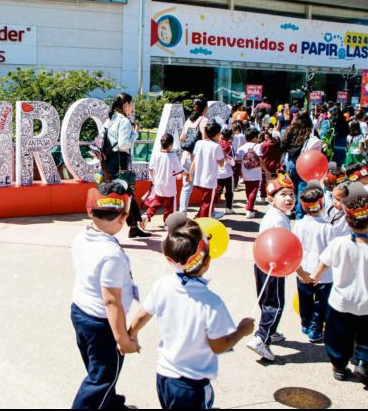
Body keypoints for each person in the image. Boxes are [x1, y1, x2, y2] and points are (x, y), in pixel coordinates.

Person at [128, 214, 255, 410]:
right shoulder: (212, 303)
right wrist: (241, 331)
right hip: (192, 384)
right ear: (206, 262)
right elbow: (219, 346)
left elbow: (142, 315)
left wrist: (131, 335)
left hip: (164, 375)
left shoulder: (162, 285)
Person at [311, 185, 368, 383]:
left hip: (340, 301)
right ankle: (363, 362)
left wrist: (315, 277)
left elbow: (324, 263)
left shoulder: (339, 243)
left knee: (338, 336)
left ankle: (339, 365)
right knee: (367, 337)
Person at [71, 181, 141, 409]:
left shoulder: (83, 236)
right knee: (103, 378)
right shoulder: (111, 255)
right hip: (102, 325)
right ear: (123, 218)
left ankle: (110, 405)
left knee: (98, 369)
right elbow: (111, 301)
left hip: (81, 312)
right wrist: (122, 339)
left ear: (90, 211)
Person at [246, 172, 295, 362]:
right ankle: (261, 338)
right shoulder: (278, 219)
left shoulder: (275, 215)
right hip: (273, 265)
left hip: (263, 263)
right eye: (283, 195)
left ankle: (270, 331)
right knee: (275, 304)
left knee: (267, 300)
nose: (289, 198)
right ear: (271, 199)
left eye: (291, 194)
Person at [104, 93, 149, 238]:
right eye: (132, 104)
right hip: (120, 161)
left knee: (125, 194)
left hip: (108, 162)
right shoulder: (123, 121)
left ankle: (134, 226)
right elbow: (124, 145)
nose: (133, 107)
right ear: (126, 105)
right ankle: (108, 228)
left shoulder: (111, 119)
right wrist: (135, 133)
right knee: (123, 195)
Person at [292, 184, 333, 344]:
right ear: (322, 204)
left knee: (305, 299)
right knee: (321, 303)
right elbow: (331, 251)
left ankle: (305, 324)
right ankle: (315, 329)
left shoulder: (299, 225)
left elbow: (294, 248)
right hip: (324, 273)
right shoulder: (328, 227)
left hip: (303, 270)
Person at [145, 134, 185, 228]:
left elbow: (151, 169)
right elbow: (180, 170)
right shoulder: (172, 156)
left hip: (159, 184)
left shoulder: (156, 154)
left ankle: (147, 216)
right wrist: (187, 175)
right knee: (169, 207)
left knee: (155, 203)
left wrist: (154, 179)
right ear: (171, 145)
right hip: (170, 186)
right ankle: (167, 224)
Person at [189, 122, 225, 219]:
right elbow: (221, 163)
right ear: (217, 134)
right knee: (207, 203)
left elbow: (194, 160)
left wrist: (190, 174)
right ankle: (204, 223)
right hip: (210, 180)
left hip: (198, 179)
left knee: (205, 201)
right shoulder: (217, 147)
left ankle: (199, 216)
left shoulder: (199, 143)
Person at [238, 128, 263, 219]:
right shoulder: (258, 146)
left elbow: (238, 160)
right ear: (255, 137)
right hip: (255, 172)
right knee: (254, 190)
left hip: (245, 172)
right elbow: (260, 159)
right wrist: (266, 171)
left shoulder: (241, 148)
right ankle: (249, 208)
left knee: (248, 190)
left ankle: (251, 207)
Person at [213, 128, 235, 215]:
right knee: (229, 191)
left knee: (218, 191)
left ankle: (211, 206)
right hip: (227, 172)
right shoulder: (230, 146)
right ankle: (228, 208)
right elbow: (233, 160)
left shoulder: (216, 144)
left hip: (217, 172)